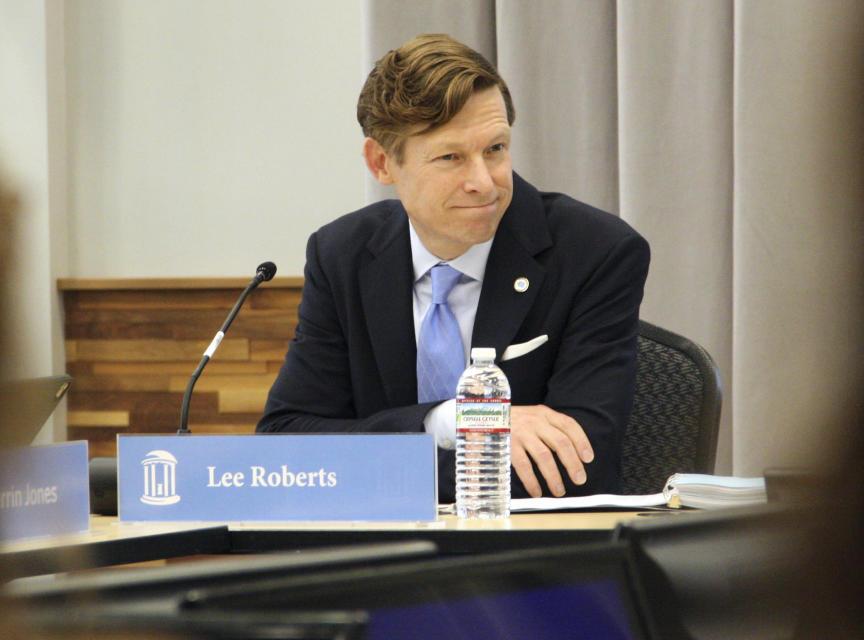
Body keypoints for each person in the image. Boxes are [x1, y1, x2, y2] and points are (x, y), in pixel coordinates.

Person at [257, 34, 650, 503]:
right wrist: (447, 420)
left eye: (496, 149)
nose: (483, 183)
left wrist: (376, 464)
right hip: (375, 557)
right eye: (451, 157)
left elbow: (572, 462)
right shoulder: (342, 255)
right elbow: (287, 447)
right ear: (382, 162)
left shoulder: (595, 252)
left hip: (537, 557)